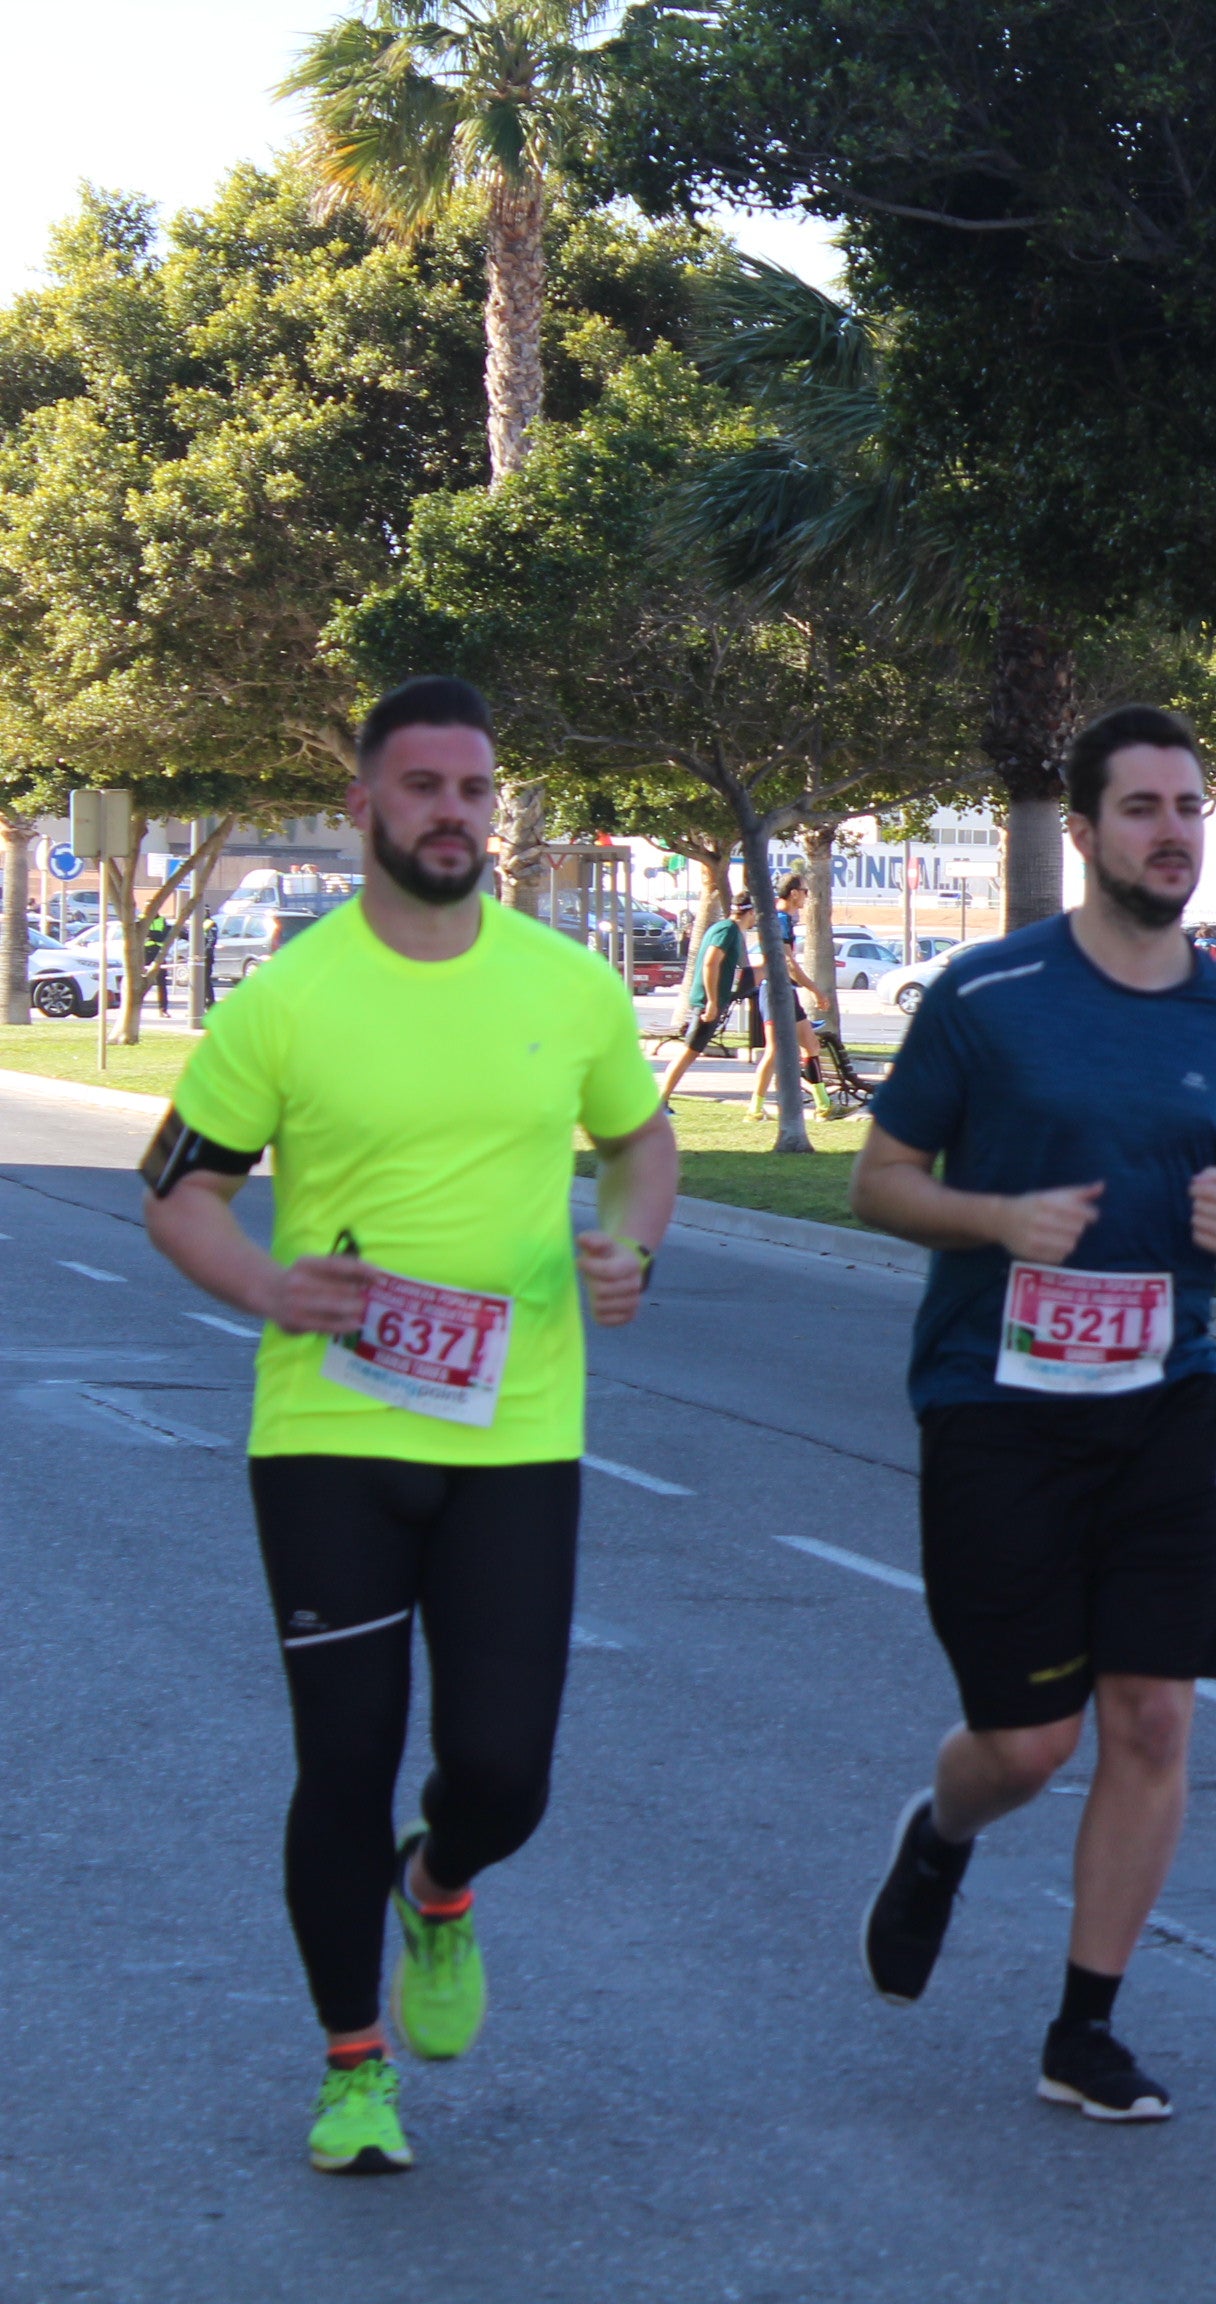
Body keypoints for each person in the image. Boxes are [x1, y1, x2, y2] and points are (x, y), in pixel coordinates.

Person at [134, 676, 678, 2177]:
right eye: (425, 786)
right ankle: (351, 2066)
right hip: (331, 1434)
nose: (455, 812)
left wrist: (631, 1243)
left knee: (504, 1774)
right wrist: (265, 1284)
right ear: (366, 804)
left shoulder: (563, 986)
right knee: (344, 1759)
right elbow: (178, 1185)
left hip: (516, 1435)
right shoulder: (287, 1001)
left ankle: (438, 1886)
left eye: (477, 789)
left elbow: (640, 1138)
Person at [850, 705, 1216, 2125]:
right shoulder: (990, 997)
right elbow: (880, 1181)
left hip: (1167, 1403)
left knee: (1155, 1718)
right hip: (997, 1405)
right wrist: (995, 1217)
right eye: (1143, 808)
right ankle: (941, 1830)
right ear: (1088, 828)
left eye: (1188, 808)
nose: (1172, 832)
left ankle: (1085, 2027)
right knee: (1029, 1742)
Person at [747, 875, 854, 1122]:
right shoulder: (780, 919)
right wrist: (815, 990)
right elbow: (787, 962)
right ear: (794, 893)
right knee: (774, 1050)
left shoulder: (784, 919)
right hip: (775, 991)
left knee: (811, 1044)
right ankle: (755, 1108)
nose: (807, 896)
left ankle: (824, 1107)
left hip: (787, 991)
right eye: (805, 891)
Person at [657, 892, 759, 1100]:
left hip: (715, 998)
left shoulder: (726, 929)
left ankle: (661, 1099)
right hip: (707, 1001)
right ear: (751, 912)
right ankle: (659, 1100)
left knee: (691, 1051)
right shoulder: (727, 929)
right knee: (689, 1051)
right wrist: (712, 1001)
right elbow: (711, 962)